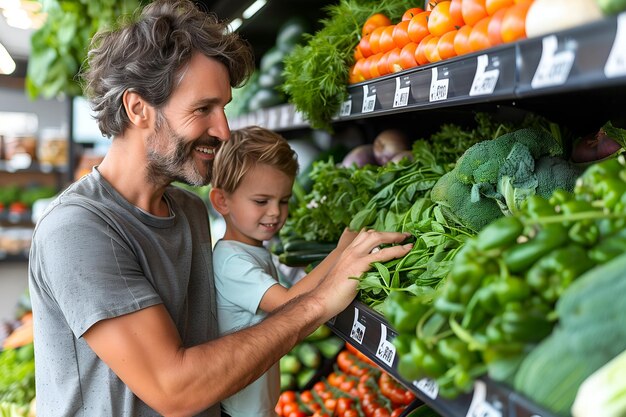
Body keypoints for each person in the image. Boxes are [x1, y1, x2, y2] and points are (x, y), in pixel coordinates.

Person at [28, 1, 413, 416]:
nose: (224, 130)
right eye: (203, 109)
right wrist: (319, 303)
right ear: (137, 108)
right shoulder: (78, 229)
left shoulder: (189, 211)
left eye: (225, 107)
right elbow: (174, 388)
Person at [209, 126, 356, 417]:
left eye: (284, 200)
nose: (276, 212)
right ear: (221, 201)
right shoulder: (231, 262)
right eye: (261, 201)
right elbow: (290, 305)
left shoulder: (248, 251)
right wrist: (340, 254)